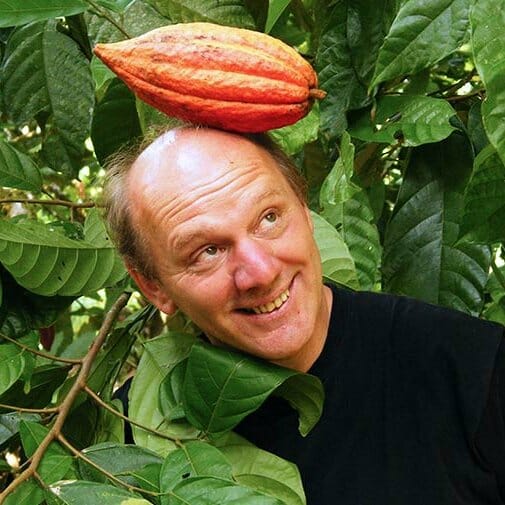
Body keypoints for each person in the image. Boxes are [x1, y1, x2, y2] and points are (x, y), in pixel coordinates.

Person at [105, 126, 505, 505]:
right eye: (207, 251)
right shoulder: (130, 440)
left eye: (268, 218)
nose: (260, 272)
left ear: (303, 206)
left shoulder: (473, 366)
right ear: (153, 286)